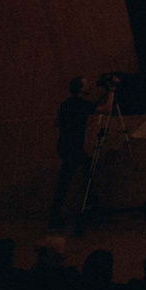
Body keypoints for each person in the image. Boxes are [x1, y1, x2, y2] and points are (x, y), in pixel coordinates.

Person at [48, 76, 100, 228]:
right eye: (86, 84)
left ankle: (57, 213)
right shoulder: (81, 104)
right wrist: (111, 92)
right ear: (80, 88)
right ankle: (90, 202)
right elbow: (106, 109)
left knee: (67, 179)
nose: (89, 87)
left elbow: (56, 123)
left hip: (64, 145)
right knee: (69, 179)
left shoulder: (66, 104)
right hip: (74, 147)